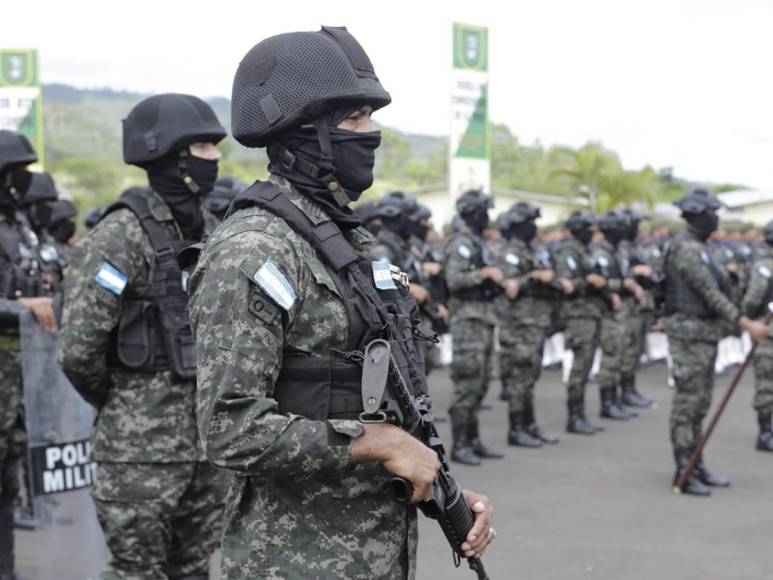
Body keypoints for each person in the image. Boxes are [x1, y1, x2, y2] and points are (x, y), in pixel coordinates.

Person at [189, 26, 494, 578]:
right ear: (307, 133)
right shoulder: (254, 249)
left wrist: (439, 484)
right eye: (355, 119)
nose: (372, 133)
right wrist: (376, 443)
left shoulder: (346, 244)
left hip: (375, 550)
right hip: (293, 560)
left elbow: (376, 400)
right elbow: (227, 428)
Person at [59, 93, 228, 578]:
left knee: (194, 568)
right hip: (139, 456)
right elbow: (78, 352)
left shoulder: (216, 231)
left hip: (207, 448)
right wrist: (128, 406)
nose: (215, 158)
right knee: (137, 571)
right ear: (174, 156)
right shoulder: (119, 237)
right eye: (203, 146)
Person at [663, 188, 768, 496]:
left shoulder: (702, 248)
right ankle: (683, 467)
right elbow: (709, 293)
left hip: (703, 336)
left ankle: (696, 463)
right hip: (689, 336)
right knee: (688, 404)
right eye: (711, 212)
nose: (716, 218)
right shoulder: (686, 249)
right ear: (698, 215)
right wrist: (745, 323)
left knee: (700, 403)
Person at [0, 130, 58, 580]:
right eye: (15, 172)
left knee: (9, 478)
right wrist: (19, 308)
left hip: (22, 372)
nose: (22, 181)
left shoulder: (20, 225)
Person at [493, 202, 564, 447]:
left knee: (530, 375)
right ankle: (516, 428)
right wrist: (532, 277)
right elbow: (509, 287)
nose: (533, 228)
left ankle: (529, 424)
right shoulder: (508, 251)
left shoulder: (535, 249)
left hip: (537, 321)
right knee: (519, 377)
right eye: (528, 223)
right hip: (519, 323)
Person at [444, 189, 505, 465]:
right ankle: (460, 444)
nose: (487, 218)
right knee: (467, 382)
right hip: (467, 320)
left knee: (481, 382)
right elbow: (453, 279)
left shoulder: (479, 243)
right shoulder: (461, 243)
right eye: (484, 212)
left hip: (484, 317)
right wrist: (482, 274)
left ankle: (473, 438)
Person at [553, 210, 606, 435]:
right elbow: (566, 284)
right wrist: (588, 281)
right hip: (578, 316)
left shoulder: (584, 251)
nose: (591, 234)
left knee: (585, 366)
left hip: (590, 313)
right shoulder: (568, 252)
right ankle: (574, 417)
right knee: (579, 368)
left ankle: (580, 414)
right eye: (588, 229)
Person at [591, 211, 637, 420]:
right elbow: (598, 282)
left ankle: (616, 399)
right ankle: (607, 403)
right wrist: (619, 287)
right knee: (610, 358)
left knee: (619, 355)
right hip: (607, 311)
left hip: (619, 310)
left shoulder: (618, 251)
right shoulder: (601, 253)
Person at [741, 219, 773, 452]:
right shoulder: (764, 266)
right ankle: (765, 432)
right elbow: (752, 299)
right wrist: (750, 322)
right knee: (767, 385)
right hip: (768, 332)